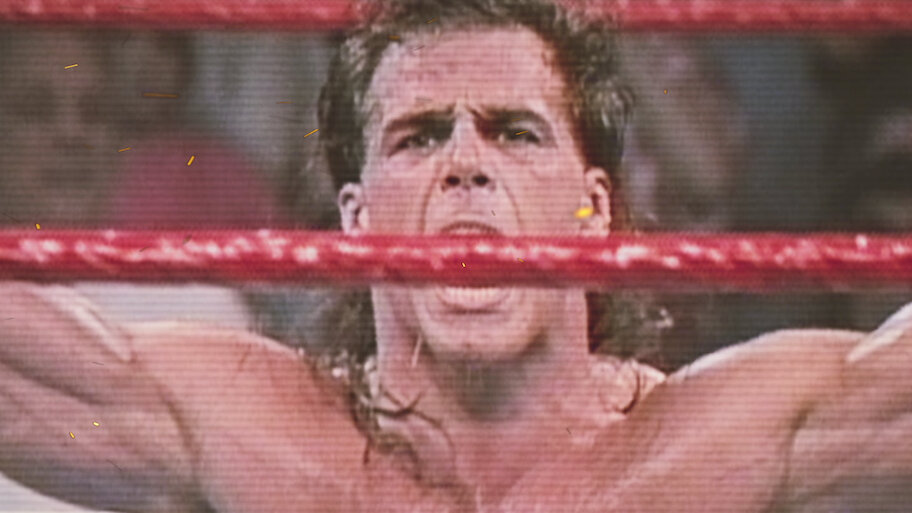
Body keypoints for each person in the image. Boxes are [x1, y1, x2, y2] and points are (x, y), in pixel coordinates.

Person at [1, 1, 911, 512]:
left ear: (594, 209)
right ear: (356, 218)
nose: (466, 163)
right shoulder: (252, 426)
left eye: (515, 131)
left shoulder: (720, 437)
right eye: (420, 136)